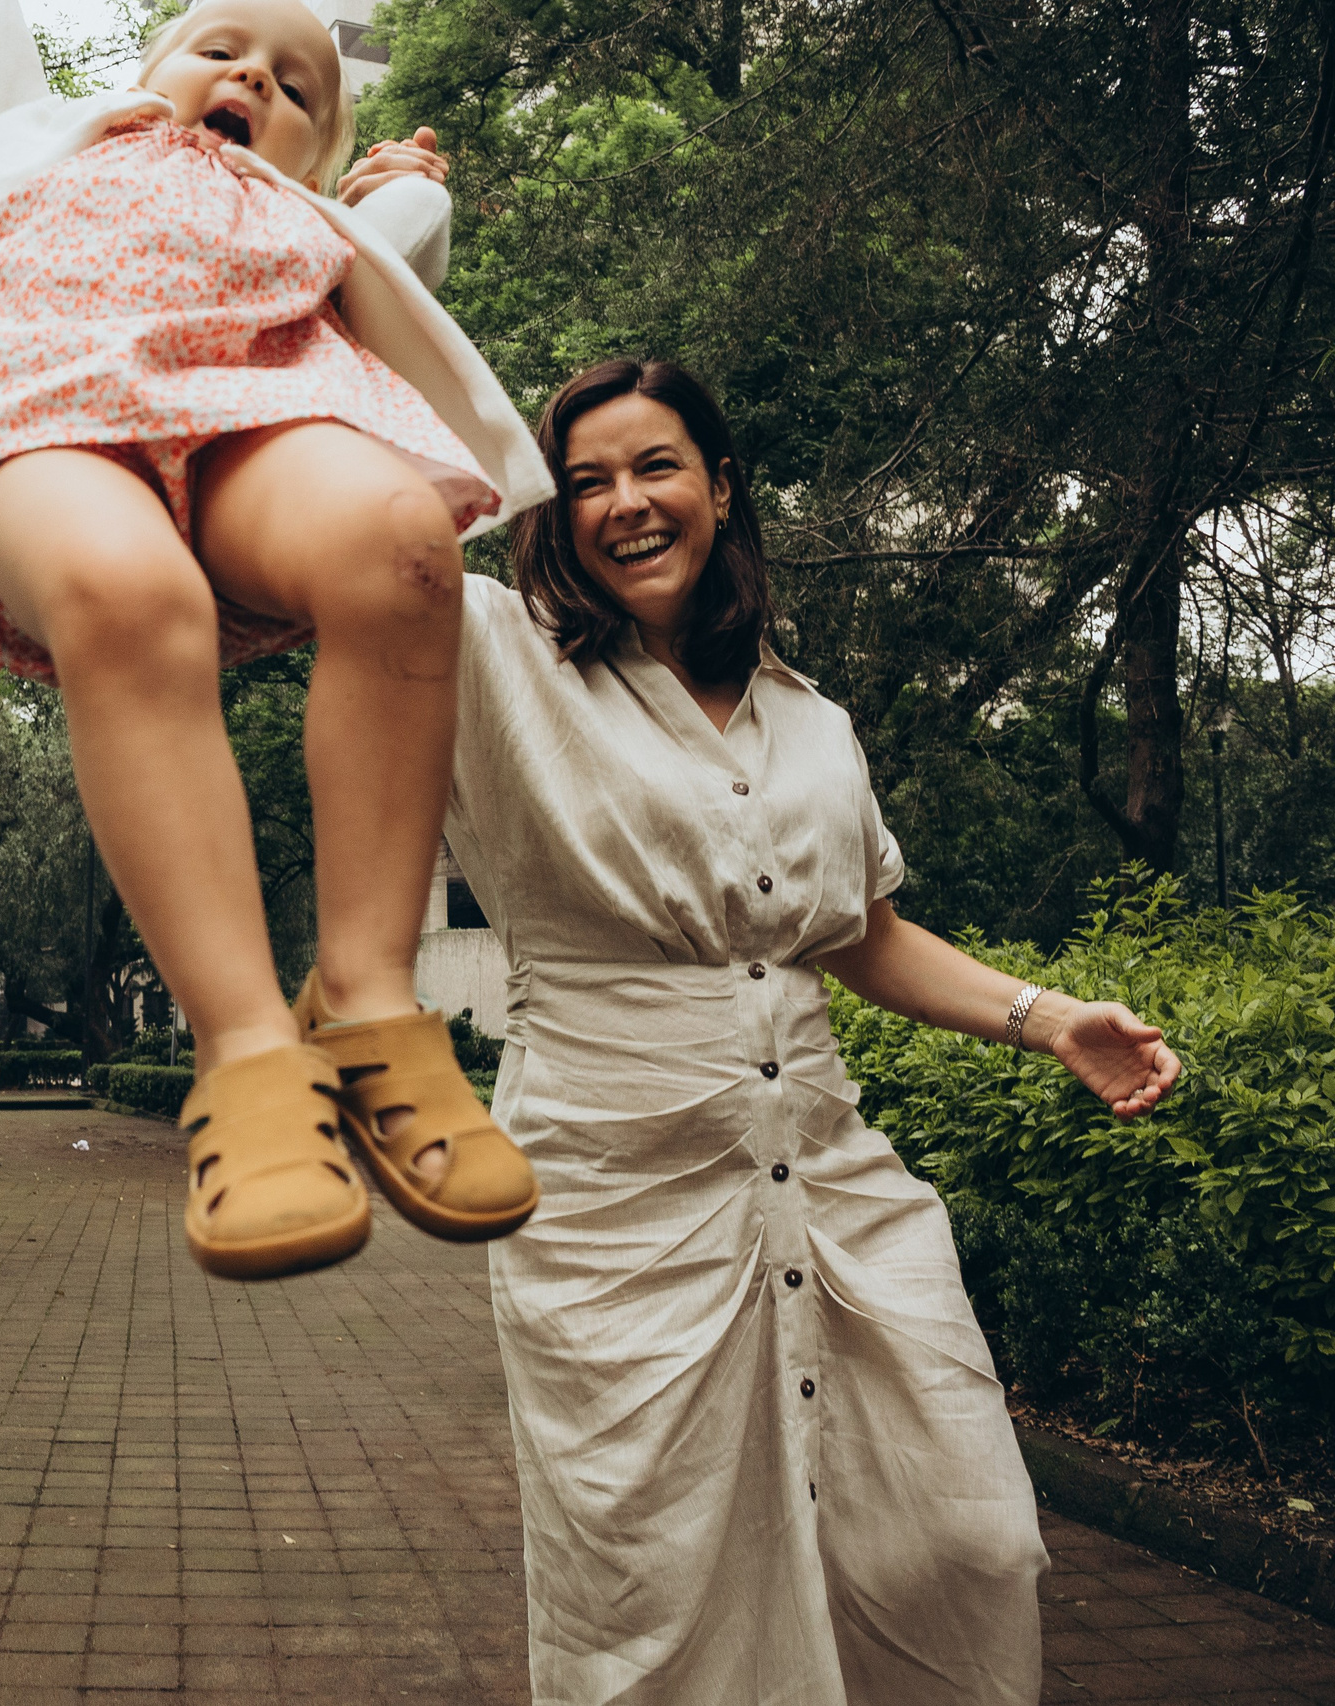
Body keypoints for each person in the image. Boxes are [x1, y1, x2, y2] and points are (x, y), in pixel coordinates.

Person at [0, 0, 553, 1282]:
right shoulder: (45, 136)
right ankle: (245, 1045)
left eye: (297, 86)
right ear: (145, 70)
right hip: (49, 427)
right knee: (129, 593)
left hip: (253, 421)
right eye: (220, 49)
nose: (254, 77)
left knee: (403, 547)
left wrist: (406, 189)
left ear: (318, 153)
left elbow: (404, 246)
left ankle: (364, 994)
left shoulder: (304, 216)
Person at [444, 357, 1182, 1702]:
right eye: (585, 482)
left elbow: (856, 929)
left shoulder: (812, 718)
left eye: (656, 465)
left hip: (833, 1181)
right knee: (659, 1599)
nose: (625, 502)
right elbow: (367, 540)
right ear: (550, 515)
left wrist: (1051, 1018)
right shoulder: (491, 660)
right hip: (615, 1207)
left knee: (967, 1535)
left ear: (721, 487)